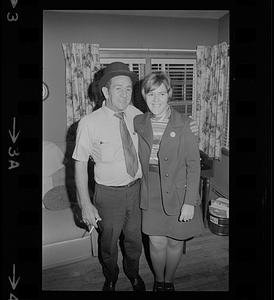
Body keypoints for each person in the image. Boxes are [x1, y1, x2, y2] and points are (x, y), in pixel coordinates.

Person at [72, 62, 198, 291]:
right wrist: (85, 204)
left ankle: (133, 274)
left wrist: (191, 125)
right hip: (108, 194)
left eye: (129, 88)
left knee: (135, 242)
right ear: (105, 92)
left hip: (139, 190)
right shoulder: (88, 123)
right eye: (118, 88)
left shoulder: (138, 116)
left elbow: (167, 123)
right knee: (108, 244)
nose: (124, 93)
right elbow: (79, 164)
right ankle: (110, 276)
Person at [133, 72, 204, 292]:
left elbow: (194, 165)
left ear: (169, 95)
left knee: (175, 241)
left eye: (161, 93)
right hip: (151, 190)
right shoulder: (138, 121)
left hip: (178, 191)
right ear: (144, 96)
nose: (156, 99)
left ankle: (168, 282)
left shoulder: (184, 123)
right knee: (156, 242)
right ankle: (158, 281)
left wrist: (189, 202)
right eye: (151, 93)